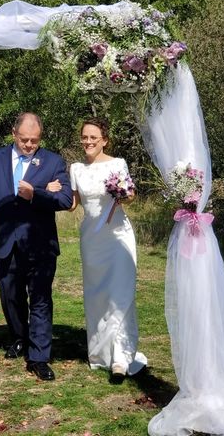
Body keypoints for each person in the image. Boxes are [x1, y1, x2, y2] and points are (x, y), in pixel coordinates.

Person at [0, 112, 73, 381]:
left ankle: (39, 357)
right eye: (24, 139)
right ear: (14, 134)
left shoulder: (53, 161)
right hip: (5, 243)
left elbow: (64, 200)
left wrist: (36, 194)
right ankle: (18, 337)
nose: (28, 145)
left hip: (41, 244)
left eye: (34, 141)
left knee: (40, 300)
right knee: (10, 296)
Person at [49, 118, 147, 379]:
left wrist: (122, 193)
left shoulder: (117, 164)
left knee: (120, 292)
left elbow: (130, 195)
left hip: (117, 236)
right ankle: (102, 353)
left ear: (104, 140)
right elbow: (73, 203)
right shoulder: (76, 169)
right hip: (91, 239)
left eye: (94, 137)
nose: (88, 141)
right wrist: (52, 191)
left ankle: (120, 357)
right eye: (84, 137)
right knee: (98, 296)